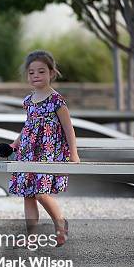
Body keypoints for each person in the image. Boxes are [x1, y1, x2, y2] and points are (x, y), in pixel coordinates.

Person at [8, 50, 79, 246]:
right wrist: (16, 142)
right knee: (28, 195)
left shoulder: (56, 100)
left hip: (47, 152)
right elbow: (29, 126)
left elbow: (68, 127)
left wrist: (73, 153)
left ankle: (60, 224)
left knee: (40, 192)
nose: (36, 76)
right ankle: (31, 236)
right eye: (31, 73)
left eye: (41, 71)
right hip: (28, 152)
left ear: (51, 73)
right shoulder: (28, 101)